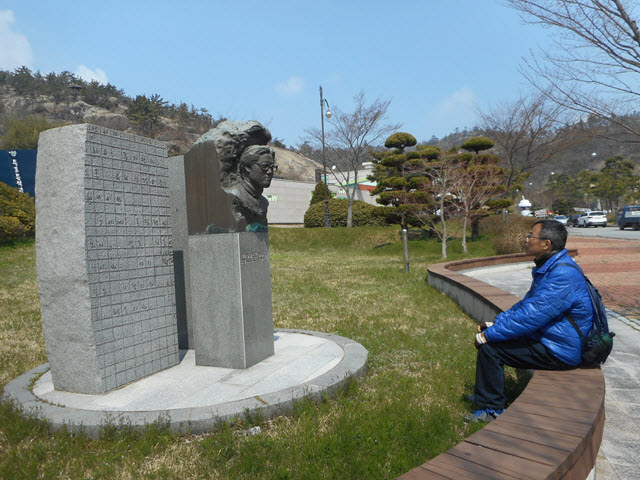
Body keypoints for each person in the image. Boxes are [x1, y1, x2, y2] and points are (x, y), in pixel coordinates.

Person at [465, 219, 594, 422]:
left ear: (546, 244)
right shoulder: (551, 266)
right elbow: (527, 306)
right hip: (550, 339)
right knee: (492, 343)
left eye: (530, 236)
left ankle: (491, 408)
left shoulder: (562, 274)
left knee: (491, 348)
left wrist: (489, 335)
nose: (525, 239)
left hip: (559, 350)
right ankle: (487, 396)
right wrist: (497, 324)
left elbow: (531, 317)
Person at [224, 145, 277, 232]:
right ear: (247, 167)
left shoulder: (264, 202)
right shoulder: (233, 196)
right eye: (265, 166)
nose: (270, 172)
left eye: (272, 167)